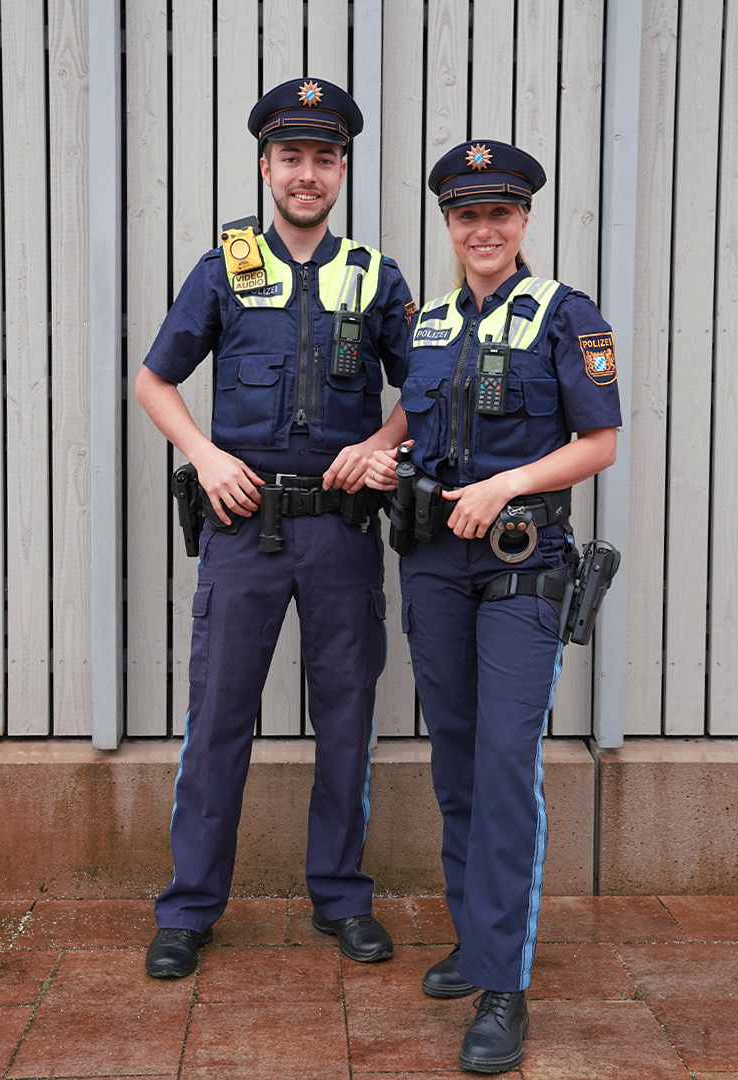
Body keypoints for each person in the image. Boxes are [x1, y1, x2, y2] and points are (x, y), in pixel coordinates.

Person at [136, 78, 416, 979]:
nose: (307, 173)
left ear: (341, 170)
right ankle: (188, 910)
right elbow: (155, 382)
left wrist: (382, 442)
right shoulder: (223, 269)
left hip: (340, 532)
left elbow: (427, 390)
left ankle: (341, 898)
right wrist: (207, 457)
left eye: (323, 158)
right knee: (217, 718)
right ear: (265, 167)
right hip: (242, 527)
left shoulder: (375, 276)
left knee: (347, 717)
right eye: (290, 157)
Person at [366, 140, 621, 1072]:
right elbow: (416, 421)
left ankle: (505, 987)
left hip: (521, 563)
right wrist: (378, 451)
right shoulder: (426, 324)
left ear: (522, 223)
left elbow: (600, 441)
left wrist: (506, 484)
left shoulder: (565, 312)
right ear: (448, 225)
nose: (483, 230)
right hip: (433, 563)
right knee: (459, 763)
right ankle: (478, 943)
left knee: (509, 763)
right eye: (466, 215)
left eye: (499, 214)